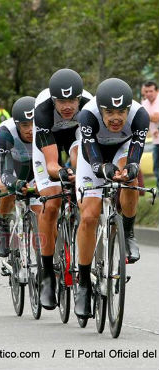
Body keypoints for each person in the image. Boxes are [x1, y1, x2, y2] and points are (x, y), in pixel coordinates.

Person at [74, 78, 149, 318]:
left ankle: (127, 232)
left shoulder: (140, 116)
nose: (116, 118)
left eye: (121, 112)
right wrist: (100, 168)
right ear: (100, 110)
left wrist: (132, 169)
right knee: (88, 216)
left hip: (122, 150)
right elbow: (91, 155)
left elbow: (136, 153)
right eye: (110, 112)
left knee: (130, 177)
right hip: (92, 156)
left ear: (129, 109)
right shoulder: (87, 115)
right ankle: (84, 284)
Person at [32, 68, 92, 310]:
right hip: (50, 142)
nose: (67, 106)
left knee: (84, 185)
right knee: (51, 203)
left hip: (76, 135)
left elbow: (81, 153)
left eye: (72, 100)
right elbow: (51, 164)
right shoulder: (43, 110)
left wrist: (80, 175)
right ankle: (47, 275)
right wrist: (61, 173)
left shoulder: (89, 107)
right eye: (61, 101)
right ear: (53, 100)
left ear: (80, 98)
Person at [0, 96, 41, 258]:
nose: (31, 130)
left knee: (40, 212)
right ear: (16, 124)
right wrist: (16, 183)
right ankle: (3, 224)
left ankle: (41, 262)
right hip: (8, 163)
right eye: (25, 125)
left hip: (33, 164)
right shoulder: (6, 132)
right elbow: (6, 174)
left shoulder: (46, 128)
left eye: (34, 123)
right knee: (6, 189)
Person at [141, 81, 159, 188]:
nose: (148, 94)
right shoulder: (145, 103)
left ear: (156, 91)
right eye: (146, 91)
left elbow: (156, 117)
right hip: (156, 141)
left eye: (151, 91)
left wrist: (146, 116)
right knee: (156, 168)